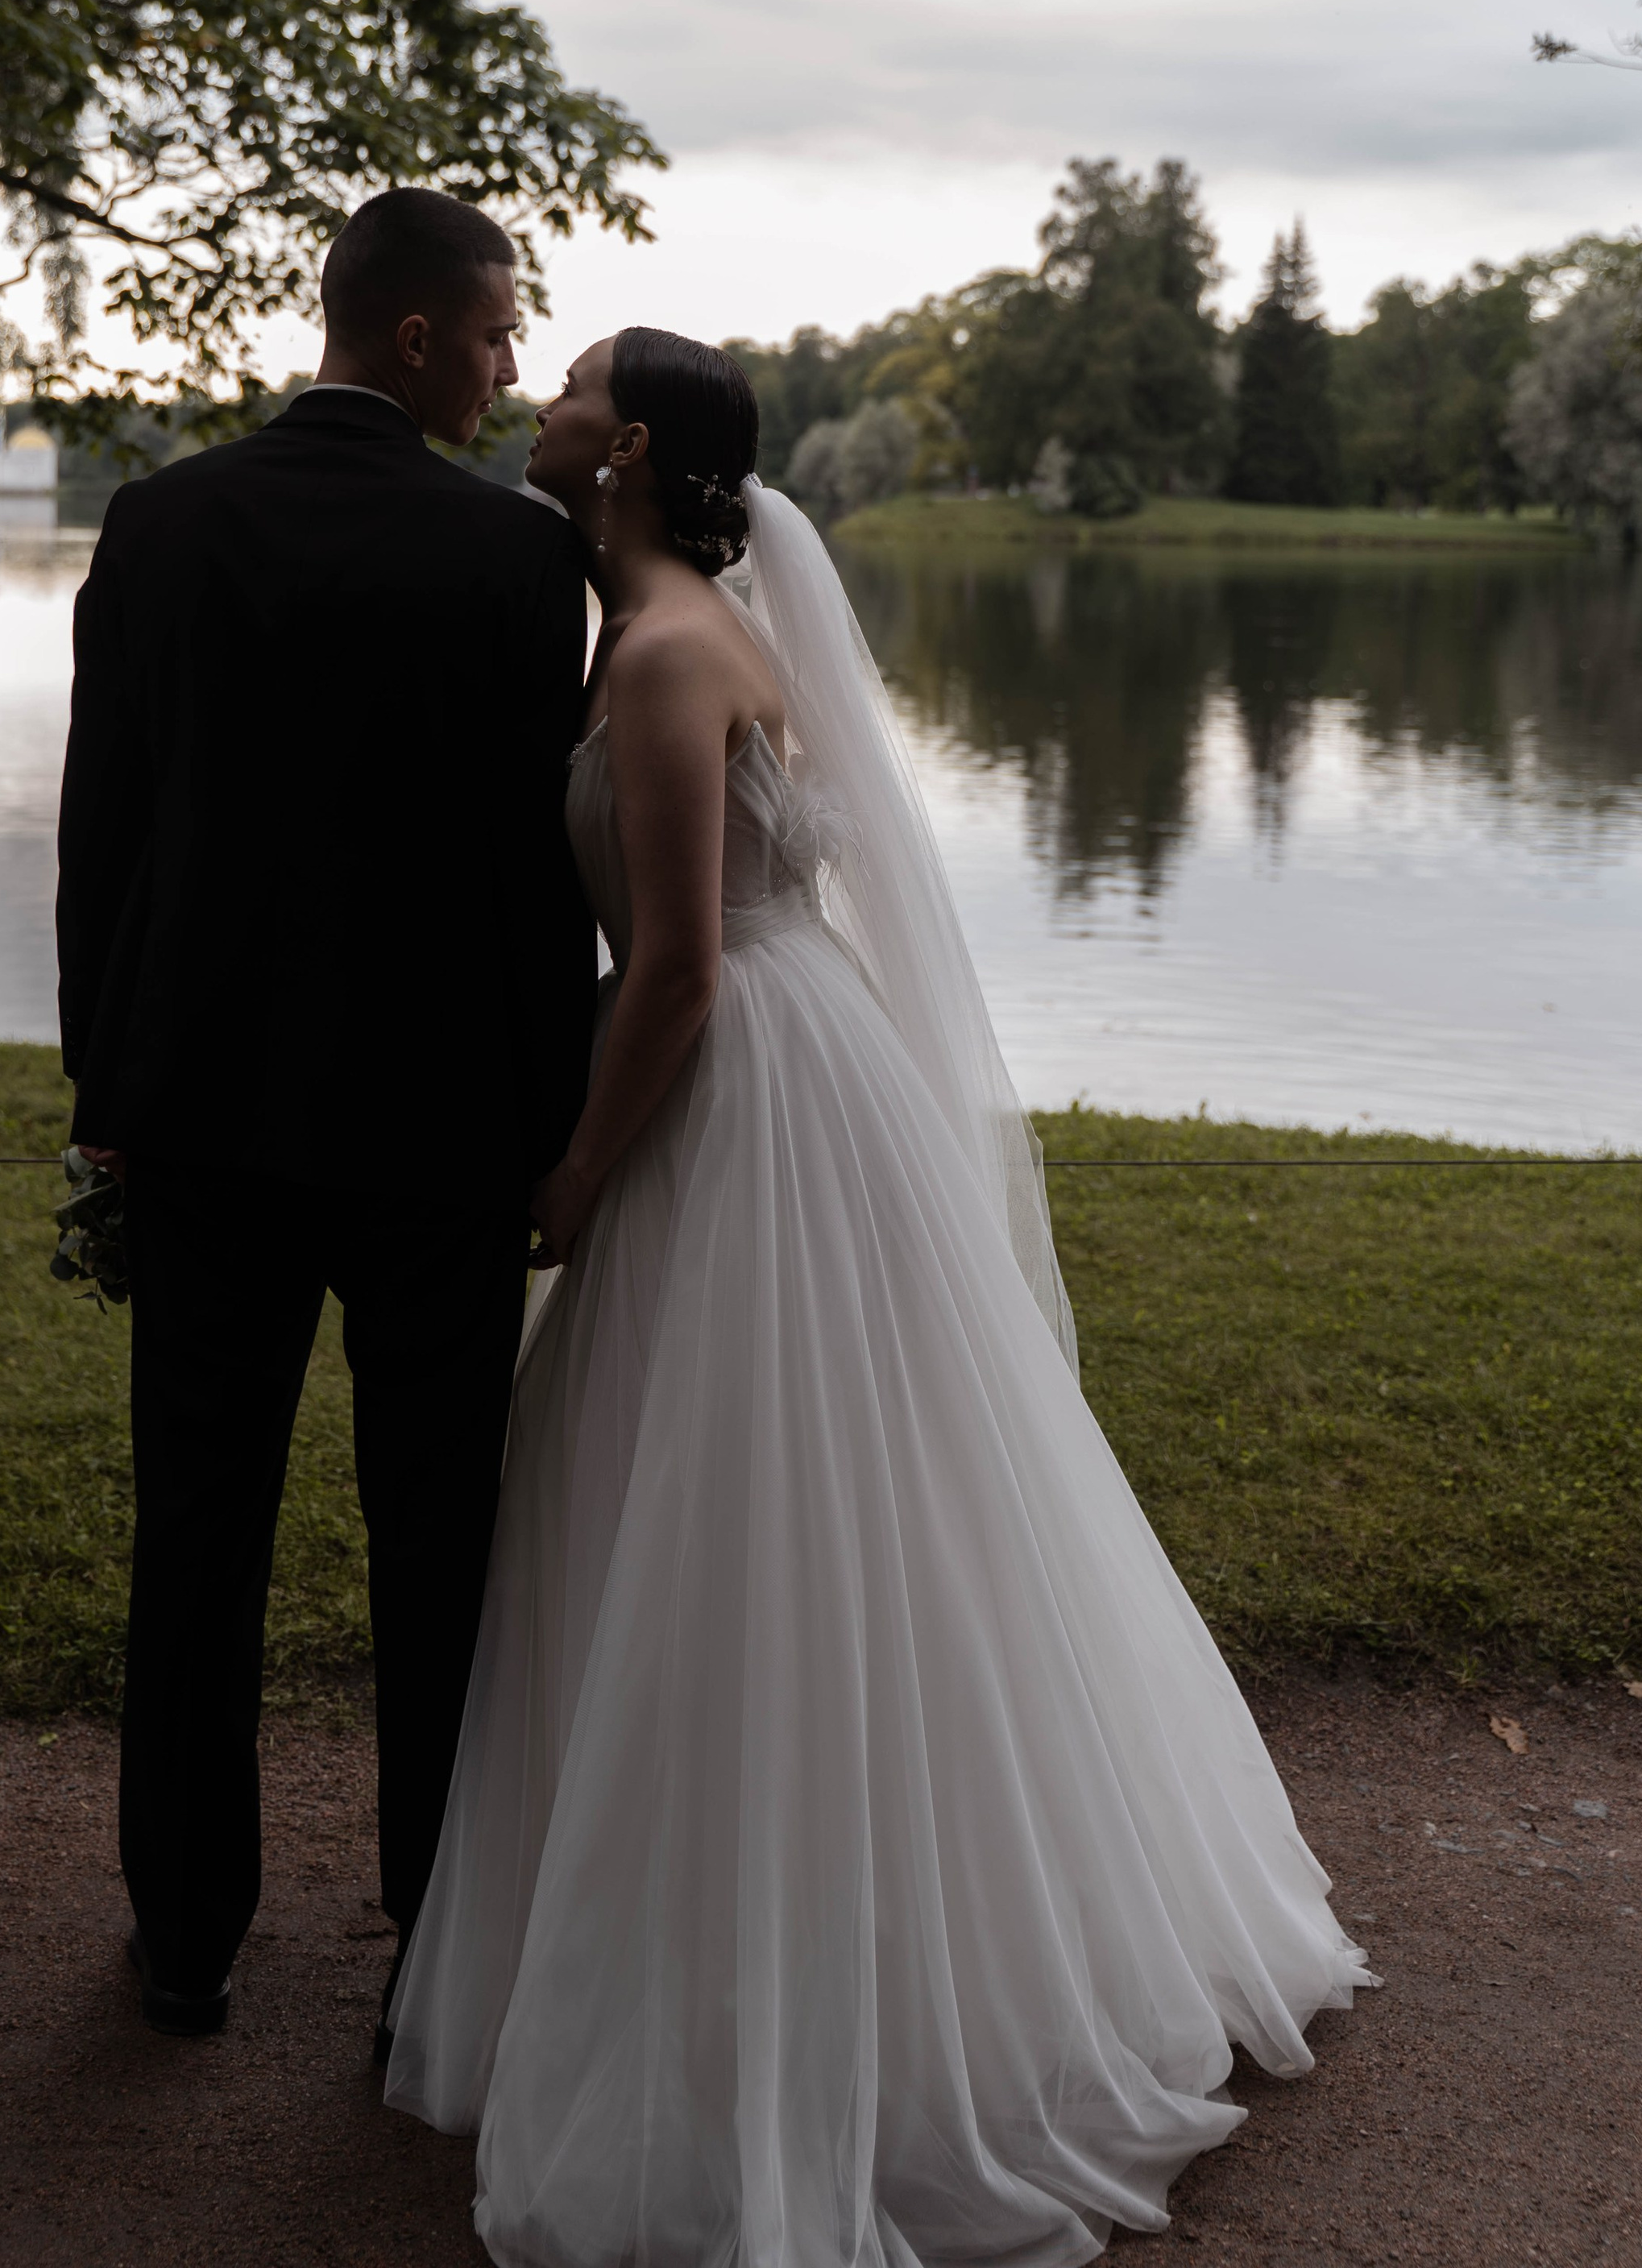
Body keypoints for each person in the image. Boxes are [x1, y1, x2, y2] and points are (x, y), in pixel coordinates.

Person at [384, 327, 1373, 2266]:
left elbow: (675, 967)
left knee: (750, 1520)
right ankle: (742, 1943)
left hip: (734, 1096)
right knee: (752, 1513)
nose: (543, 399)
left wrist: (577, 1169)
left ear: (629, 440)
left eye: (569, 381)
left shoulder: (667, 656)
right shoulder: (647, 630)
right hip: (779, 1069)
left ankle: (833, 2010)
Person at [55, 188, 595, 2043]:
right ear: (423, 336)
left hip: (201, 1121)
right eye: (504, 327)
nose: (518, 361)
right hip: (439, 1139)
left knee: (193, 1533)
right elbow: (538, 895)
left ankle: (189, 1936)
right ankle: (429, 1949)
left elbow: (103, 847)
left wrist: (100, 1099)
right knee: (438, 1546)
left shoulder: (161, 521)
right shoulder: (519, 563)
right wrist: (552, 1126)